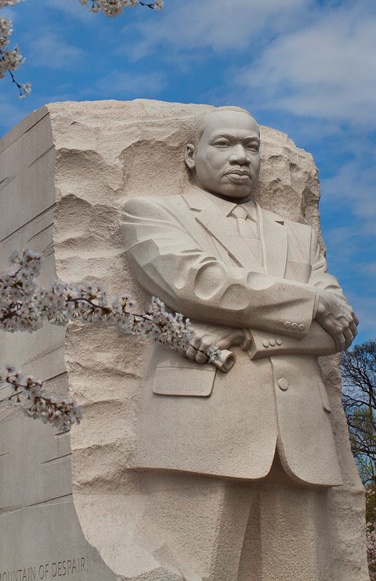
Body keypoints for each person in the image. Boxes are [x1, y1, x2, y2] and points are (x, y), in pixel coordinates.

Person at [120, 106, 359, 581]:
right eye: (224, 144)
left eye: (252, 147)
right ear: (190, 155)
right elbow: (200, 284)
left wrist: (244, 330)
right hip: (203, 427)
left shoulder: (299, 237)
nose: (241, 157)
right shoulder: (150, 212)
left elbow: (337, 329)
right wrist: (308, 300)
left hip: (302, 436)